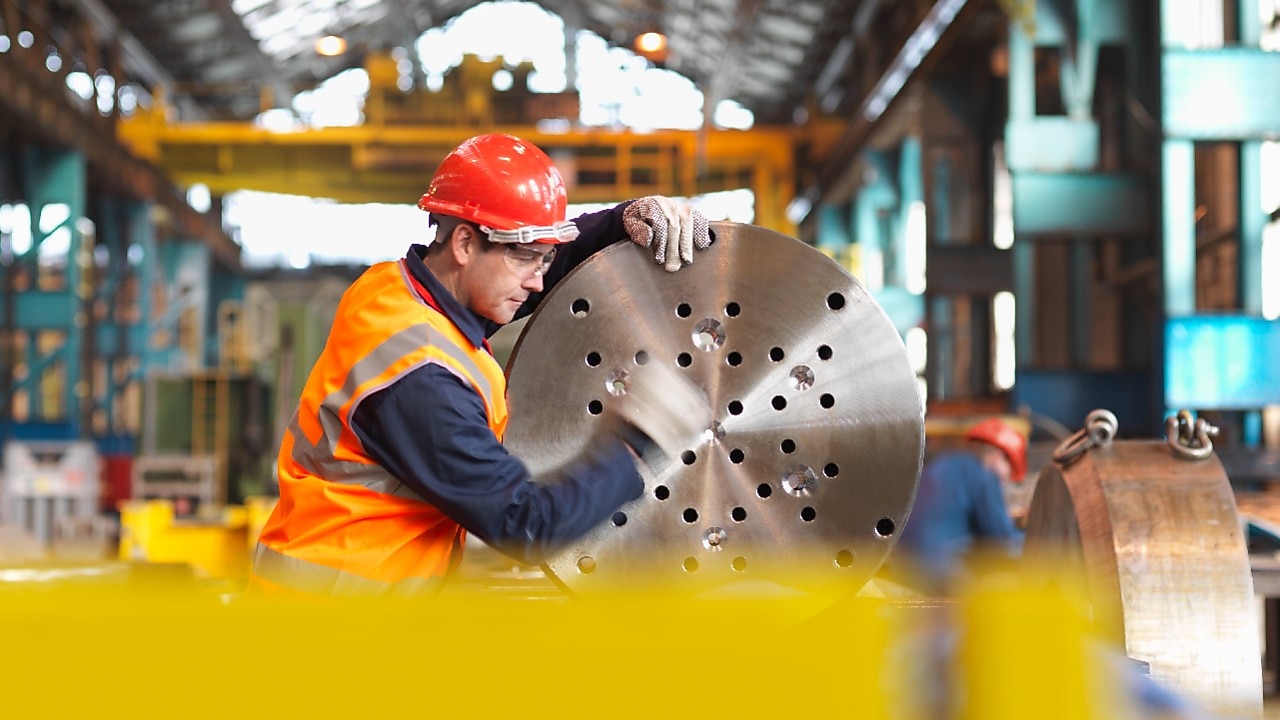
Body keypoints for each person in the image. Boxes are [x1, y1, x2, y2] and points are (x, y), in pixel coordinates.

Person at [249, 133, 714, 599]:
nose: (536, 282)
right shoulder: (419, 382)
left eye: (545, 258)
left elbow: (511, 274)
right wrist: (637, 443)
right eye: (526, 259)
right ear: (466, 243)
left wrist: (621, 221)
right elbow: (528, 524)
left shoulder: (395, 292)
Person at [891, 417, 1028, 595]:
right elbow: (1000, 540)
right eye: (1008, 472)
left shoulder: (946, 465)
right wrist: (1037, 536)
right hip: (937, 567)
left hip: (901, 565)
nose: (1004, 480)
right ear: (998, 456)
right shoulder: (984, 474)